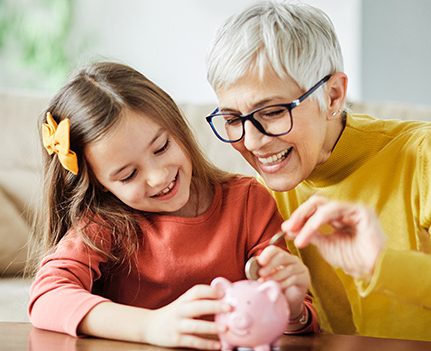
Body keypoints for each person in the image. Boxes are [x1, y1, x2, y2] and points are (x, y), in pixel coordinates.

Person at [204, 1, 431, 347]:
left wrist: (384, 265)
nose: (251, 142)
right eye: (233, 119)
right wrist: (291, 314)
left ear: (333, 95)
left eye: (274, 112)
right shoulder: (259, 199)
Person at [27, 61, 319, 350]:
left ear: (177, 127)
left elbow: (293, 320)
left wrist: (292, 309)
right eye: (128, 175)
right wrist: (149, 326)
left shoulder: (249, 202)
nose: (158, 177)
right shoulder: (104, 223)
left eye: (161, 147)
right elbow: (47, 296)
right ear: (101, 183)